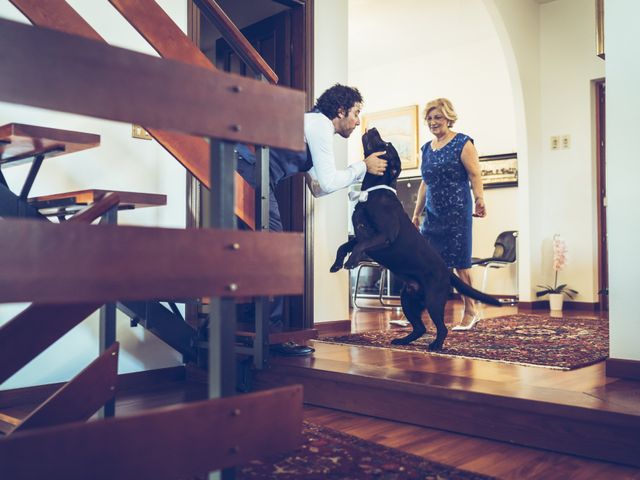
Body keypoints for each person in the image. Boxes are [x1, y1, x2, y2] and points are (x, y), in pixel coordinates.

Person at [235, 84, 388, 354]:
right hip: (250, 172)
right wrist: (363, 166)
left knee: (253, 254)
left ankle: (244, 329)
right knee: (276, 253)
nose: (357, 121)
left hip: (244, 170)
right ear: (340, 111)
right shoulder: (318, 124)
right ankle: (271, 337)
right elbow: (329, 182)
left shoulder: (310, 124)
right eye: (355, 113)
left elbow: (318, 187)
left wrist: (357, 176)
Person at [411, 98, 486, 331]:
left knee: (461, 263)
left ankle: (471, 311)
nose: (433, 122)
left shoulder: (462, 143)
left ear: (448, 118)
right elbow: (425, 183)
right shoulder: (426, 149)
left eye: (438, 117)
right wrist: (416, 214)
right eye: (430, 118)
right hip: (433, 215)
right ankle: (417, 309)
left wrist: (480, 199)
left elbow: (475, 175)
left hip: (456, 212)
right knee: (427, 263)